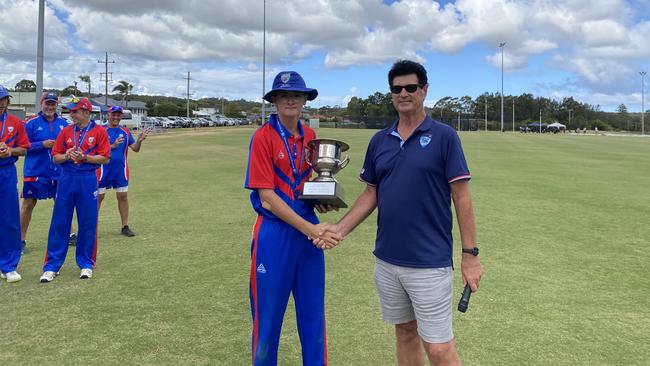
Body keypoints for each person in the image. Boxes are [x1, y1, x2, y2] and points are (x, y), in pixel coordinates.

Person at [316, 60, 484, 365]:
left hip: (429, 263)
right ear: (391, 93)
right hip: (388, 261)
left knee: (439, 348)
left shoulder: (444, 137)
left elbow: (462, 197)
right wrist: (340, 229)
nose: (403, 93)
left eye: (410, 87)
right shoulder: (380, 140)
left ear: (424, 90)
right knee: (405, 334)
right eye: (397, 88)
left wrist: (470, 255)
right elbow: (371, 193)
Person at [244, 71, 341, 365]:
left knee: (313, 319)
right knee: (268, 323)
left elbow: (307, 183)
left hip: (307, 236)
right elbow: (268, 199)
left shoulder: (311, 137)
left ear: (304, 100)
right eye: (283, 95)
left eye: (296, 95)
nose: (290, 100)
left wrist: (320, 201)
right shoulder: (263, 137)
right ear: (274, 100)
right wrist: (312, 229)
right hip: (275, 236)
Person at [39, 97, 110, 283]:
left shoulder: (99, 131)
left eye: (75, 111)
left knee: (87, 222)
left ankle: (86, 264)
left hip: (87, 179)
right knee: (59, 222)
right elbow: (55, 157)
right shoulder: (66, 131)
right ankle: (51, 266)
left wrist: (85, 157)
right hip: (67, 179)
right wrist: (67, 155)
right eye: (70, 111)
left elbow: (105, 158)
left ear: (86, 112)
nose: (71, 115)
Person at [20, 92, 69, 253]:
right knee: (28, 204)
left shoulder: (63, 123)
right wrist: (42, 144)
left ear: (57, 105)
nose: (50, 107)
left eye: (53, 104)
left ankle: (70, 234)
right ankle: (20, 240)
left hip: (58, 172)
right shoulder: (31, 123)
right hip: (35, 171)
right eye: (47, 103)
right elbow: (23, 147)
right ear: (42, 104)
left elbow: (69, 144)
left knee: (62, 203)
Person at [97, 106, 149, 237]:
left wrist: (139, 141)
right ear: (108, 115)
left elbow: (135, 149)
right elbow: (93, 150)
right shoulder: (100, 130)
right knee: (98, 198)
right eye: (113, 114)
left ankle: (125, 226)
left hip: (120, 170)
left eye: (118, 115)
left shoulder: (125, 132)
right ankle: (92, 227)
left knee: (123, 197)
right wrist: (112, 146)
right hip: (103, 170)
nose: (115, 117)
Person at [0, 85, 30, 283]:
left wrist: (10, 151)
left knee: (9, 219)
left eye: (3, 99)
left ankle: (9, 266)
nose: (1, 103)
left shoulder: (15, 122)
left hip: (6, 173)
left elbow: (25, 149)